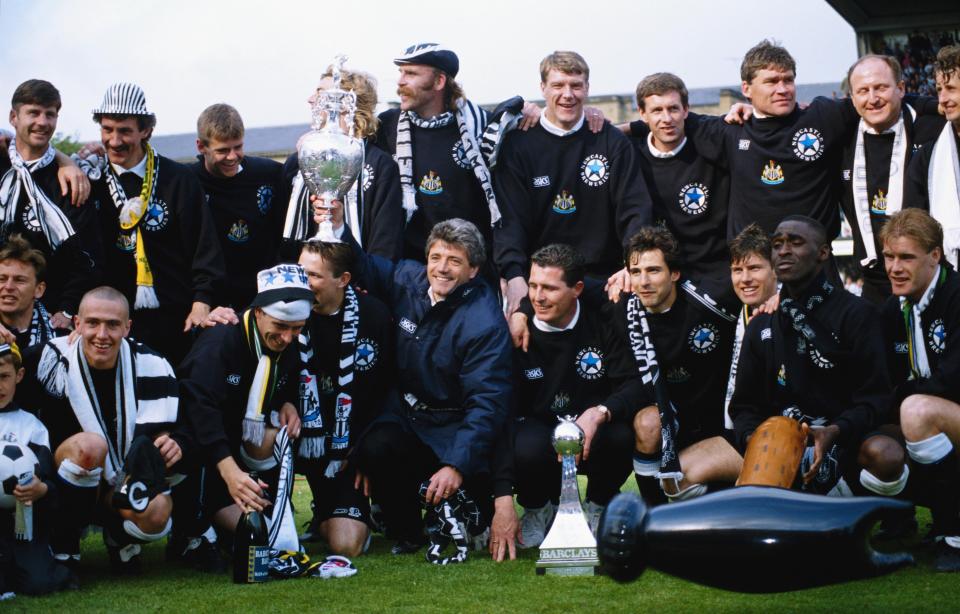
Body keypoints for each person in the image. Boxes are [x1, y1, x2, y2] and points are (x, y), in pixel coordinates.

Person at [317, 198, 511, 557]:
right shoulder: (409, 278)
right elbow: (364, 266)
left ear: (473, 270)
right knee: (376, 447)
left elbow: (487, 405)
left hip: (454, 427)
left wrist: (456, 465)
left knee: (471, 521)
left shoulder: (485, 323)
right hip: (407, 417)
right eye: (436, 257)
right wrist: (338, 225)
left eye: (455, 261)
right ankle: (406, 529)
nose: (442, 268)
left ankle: (461, 501)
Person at [730, 216, 908, 500]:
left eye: (795, 242)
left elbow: (875, 399)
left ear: (823, 253)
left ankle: (879, 516)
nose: (784, 250)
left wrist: (835, 431)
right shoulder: (762, 324)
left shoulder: (858, 315)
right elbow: (743, 407)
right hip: (782, 445)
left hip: (845, 438)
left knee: (885, 454)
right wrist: (757, 441)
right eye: (777, 244)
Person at [16, 286, 185, 572]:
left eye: (113, 325)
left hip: (122, 483)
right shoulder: (49, 358)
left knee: (157, 515)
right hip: (63, 480)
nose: (102, 335)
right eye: (92, 323)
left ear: (128, 327)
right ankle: (65, 542)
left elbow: (179, 427)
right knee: (90, 446)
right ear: (77, 323)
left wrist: (174, 442)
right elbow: (8, 375)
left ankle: (117, 537)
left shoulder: (153, 364)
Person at [494, 244, 641, 558]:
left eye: (549, 288)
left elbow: (634, 383)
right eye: (533, 286)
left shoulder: (605, 319)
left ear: (577, 289)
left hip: (591, 430)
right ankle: (537, 509)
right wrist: (503, 494)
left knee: (623, 432)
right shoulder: (516, 333)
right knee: (525, 444)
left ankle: (598, 506)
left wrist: (600, 412)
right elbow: (502, 414)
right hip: (541, 429)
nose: (537, 297)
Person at [494, 51, 652, 315]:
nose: (568, 94)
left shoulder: (611, 141)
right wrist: (514, 276)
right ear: (543, 88)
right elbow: (509, 220)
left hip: (606, 279)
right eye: (558, 85)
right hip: (541, 283)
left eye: (576, 86)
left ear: (587, 89)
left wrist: (632, 265)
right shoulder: (518, 144)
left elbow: (634, 209)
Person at [84, 82, 225, 365]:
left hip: (177, 320)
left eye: (125, 130)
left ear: (146, 130)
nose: (114, 140)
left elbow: (204, 246)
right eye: (107, 129)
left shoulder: (178, 179)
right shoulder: (90, 179)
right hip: (110, 327)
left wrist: (202, 301)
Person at [176, 264, 306, 555]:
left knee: (266, 535)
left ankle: (263, 504)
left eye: (297, 328)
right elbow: (199, 408)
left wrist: (287, 403)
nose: (287, 337)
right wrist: (230, 472)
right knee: (258, 536)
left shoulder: (289, 346)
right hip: (199, 446)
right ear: (258, 312)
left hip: (237, 443)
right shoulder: (221, 340)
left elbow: (284, 384)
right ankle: (190, 527)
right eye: (281, 326)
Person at [374, 43, 534, 275]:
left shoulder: (482, 128)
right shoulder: (387, 127)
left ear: (439, 81)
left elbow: (506, 206)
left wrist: (538, 113)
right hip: (410, 272)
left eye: (411, 73)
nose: (400, 81)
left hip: (470, 271)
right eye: (401, 72)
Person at [618, 227, 741, 505]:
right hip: (676, 427)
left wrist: (773, 296)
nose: (644, 281)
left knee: (771, 478)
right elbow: (570, 286)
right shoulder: (625, 309)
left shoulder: (711, 301)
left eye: (653, 271)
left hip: (730, 427)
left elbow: (757, 282)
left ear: (674, 274)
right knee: (649, 426)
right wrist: (524, 311)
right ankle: (654, 516)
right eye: (635, 272)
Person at [295, 240, 394, 558]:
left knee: (346, 545)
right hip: (300, 439)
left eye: (313, 276)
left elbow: (386, 389)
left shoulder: (374, 316)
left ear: (343, 279)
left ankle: (331, 512)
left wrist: (364, 449)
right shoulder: (285, 311)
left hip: (346, 449)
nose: (303, 283)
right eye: (300, 272)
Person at [879, 209, 960, 571]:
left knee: (916, 411)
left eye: (906, 257)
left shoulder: (956, 297)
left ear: (935, 256)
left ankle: (953, 532)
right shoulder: (894, 309)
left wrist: (902, 396)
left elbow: (950, 382)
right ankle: (900, 518)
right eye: (889, 257)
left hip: (947, 412)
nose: (895, 267)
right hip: (942, 419)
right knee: (874, 438)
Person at [840, 55, 944, 303]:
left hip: (932, 279)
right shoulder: (840, 135)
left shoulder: (934, 125)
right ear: (852, 98)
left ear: (901, 89)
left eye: (881, 88)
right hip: (875, 283)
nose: (873, 98)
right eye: (863, 91)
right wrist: (747, 108)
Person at [619, 73, 733, 301]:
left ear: (686, 110)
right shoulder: (629, 154)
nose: (667, 118)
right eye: (657, 110)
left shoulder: (711, 147)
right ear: (642, 114)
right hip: (657, 280)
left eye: (673, 108)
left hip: (713, 278)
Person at [1, 80, 101, 330]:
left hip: (50, 318)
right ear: (14, 117)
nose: (43, 122)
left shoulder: (70, 180)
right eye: (33, 112)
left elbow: (86, 256)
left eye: (50, 114)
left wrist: (67, 309)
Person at [282, 67, 404, 262]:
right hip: (303, 279)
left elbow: (385, 241)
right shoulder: (298, 161)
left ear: (346, 103)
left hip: (359, 281)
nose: (311, 99)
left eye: (321, 92)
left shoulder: (380, 165)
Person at [190, 103, 284, 310]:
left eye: (238, 147)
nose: (232, 156)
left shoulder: (270, 174)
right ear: (201, 147)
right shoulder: (186, 182)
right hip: (212, 303)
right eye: (222, 150)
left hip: (263, 297)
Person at [0, 342, 74, 596]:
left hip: (21, 522)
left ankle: (44, 562)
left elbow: (46, 478)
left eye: (4, 377)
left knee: (39, 584)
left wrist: (40, 489)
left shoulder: (31, 426)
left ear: (19, 376)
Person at [906, 44, 960, 267]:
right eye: (939, 90)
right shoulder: (928, 157)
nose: (943, 99)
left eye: (951, 88)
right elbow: (915, 222)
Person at [724, 223, 780, 431]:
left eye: (754, 268)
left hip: (791, 430)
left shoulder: (794, 309)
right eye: (737, 270)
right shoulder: (735, 313)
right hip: (746, 427)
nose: (745, 279)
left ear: (775, 269)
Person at [0, 235, 56, 350]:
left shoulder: (63, 339)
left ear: (39, 289)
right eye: (2, 279)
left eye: (19, 280)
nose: (9, 286)